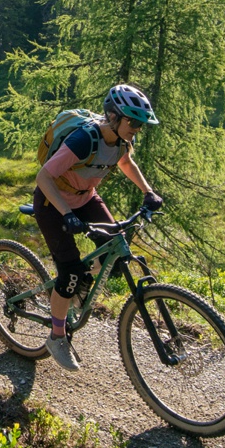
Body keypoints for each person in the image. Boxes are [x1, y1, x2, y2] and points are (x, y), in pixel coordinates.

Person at [31, 83, 165, 371]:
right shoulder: (82, 140)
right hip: (52, 204)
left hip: (85, 198)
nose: (138, 128)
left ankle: (79, 286)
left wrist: (147, 191)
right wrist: (66, 214)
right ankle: (57, 336)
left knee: (114, 253)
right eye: (134, 122)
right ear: (114, 116)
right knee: (69, 272)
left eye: (141, 124)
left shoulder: (121, 141)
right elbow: (44, 177)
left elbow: (125, 163)